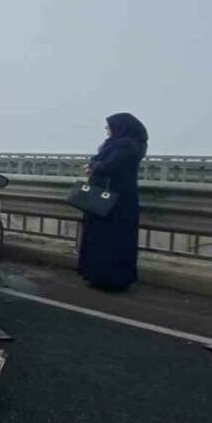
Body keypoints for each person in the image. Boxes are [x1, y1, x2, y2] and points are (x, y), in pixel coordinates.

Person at [77, 113, 149, 292]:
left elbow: (110, 165)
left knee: (109, 241)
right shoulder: (124, 143)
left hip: (115, 201)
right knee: (105, 240)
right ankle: (99, 277)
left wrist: (93, 166)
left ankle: (110, 280)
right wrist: (95, 164)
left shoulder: (127, 145)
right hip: (113, 199)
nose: (107, 130)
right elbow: (100, 160)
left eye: (110, 126)